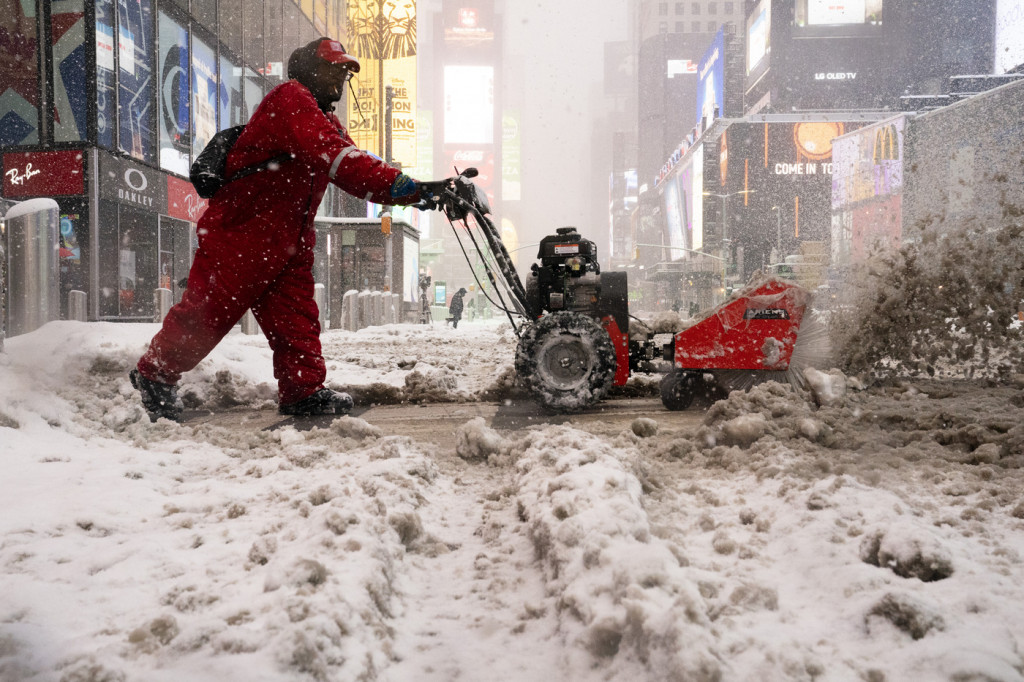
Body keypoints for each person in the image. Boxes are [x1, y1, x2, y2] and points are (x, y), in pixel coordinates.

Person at [130, 38, 421, 422]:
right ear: (307, 71)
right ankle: (154, 374)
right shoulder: (290, 99)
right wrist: (409, 188)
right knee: (207, 312)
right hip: (242, 236)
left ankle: (303, 390)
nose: (339, 79)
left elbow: (357, 164)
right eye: (332, 69)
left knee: (296, 318)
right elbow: (340, 160)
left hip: (286, 240)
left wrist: (420, 191)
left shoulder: (325, 119)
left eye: (343, 72)